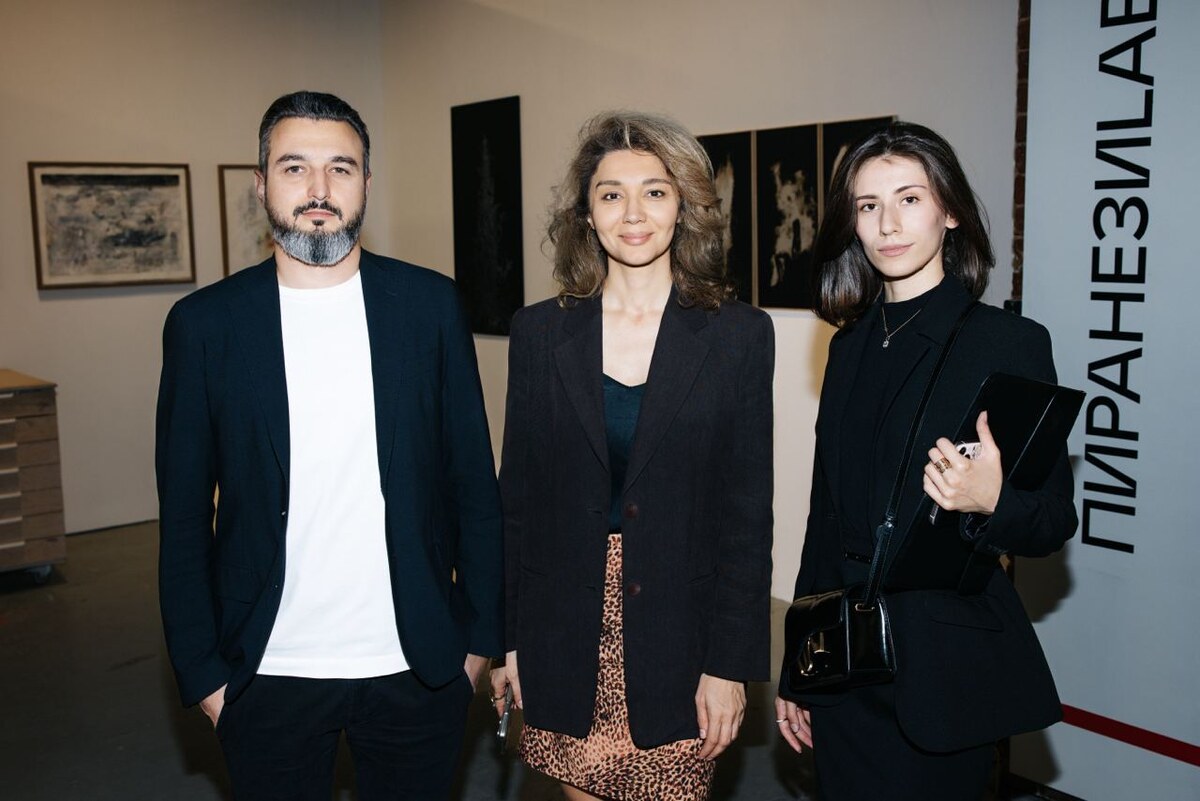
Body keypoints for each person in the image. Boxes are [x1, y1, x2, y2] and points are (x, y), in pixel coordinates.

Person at [156, 91, 503, 800]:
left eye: (340, 168)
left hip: (417, 666)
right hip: (266, 670)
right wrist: (205, 675)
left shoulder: (429, 306)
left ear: (366, 183)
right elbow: (184, 515)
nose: (319, 190)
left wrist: (478, 642)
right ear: (261, 185)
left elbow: (473, 482)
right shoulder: (205, 325)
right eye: (295, 168)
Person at [774, 122, 1077, 799]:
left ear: (951, 211)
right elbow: (825, 518)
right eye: (868, 205)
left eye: (910, 199)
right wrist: (800, 664)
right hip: (845, 662)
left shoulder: (1008, 343)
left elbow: (1055, 518)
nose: (888, 223)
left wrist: (992, 501)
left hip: (941, 674)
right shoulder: (847, 346)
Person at [488, 112, 774, 801]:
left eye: (655, 191)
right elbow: (516, 503)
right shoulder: (539, 333)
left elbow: (746, 516)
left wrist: (729, 665)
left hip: (680, 634)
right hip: (563, 630)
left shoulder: (738, 336)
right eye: (611, 194)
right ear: (587, 214)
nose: (633, 213)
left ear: (685, 206)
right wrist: (508, 642)